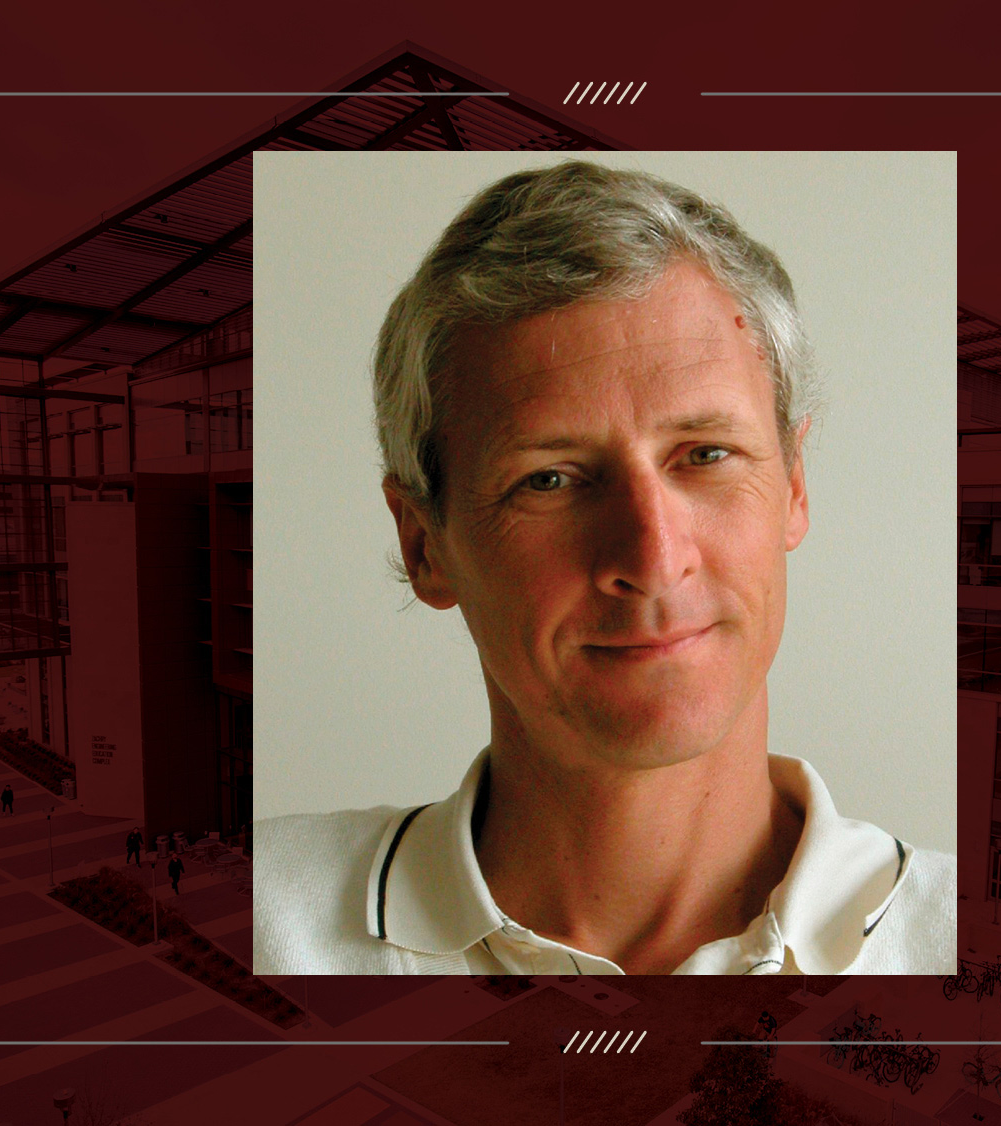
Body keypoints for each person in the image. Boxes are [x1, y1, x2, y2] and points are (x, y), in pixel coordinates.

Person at [253, 162, 956, 976]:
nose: (653, 561)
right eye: (549, 479)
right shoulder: (250, 921)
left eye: (706, 455)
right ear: (423, 542)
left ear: (793, 485)